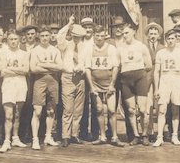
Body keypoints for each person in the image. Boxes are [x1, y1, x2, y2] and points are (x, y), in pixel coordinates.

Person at [84, 25, 123, 147]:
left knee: (111, 110)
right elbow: (88, 69)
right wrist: (91, 87)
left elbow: (115, 67)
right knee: (99, 110)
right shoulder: (89, 49)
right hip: (96, 84)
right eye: (97, 36)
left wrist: (112, 84)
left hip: (109, 85)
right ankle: (102, 136)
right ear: (94, 37)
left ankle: (115, 137)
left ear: (105, 36)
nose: (99, 38)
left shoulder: (111, 48)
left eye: (102, 36)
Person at [117, 23, 152, 146]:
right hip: (125, 80)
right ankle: (136, 135)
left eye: (126, 33)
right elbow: (118, 65)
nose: (124, 35)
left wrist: (138, 72)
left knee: (142, 110)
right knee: (131, 110)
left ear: (133, 32)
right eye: (123, 33)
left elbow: (148, 65)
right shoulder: (120, 47)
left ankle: (145, 135)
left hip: (139, 79)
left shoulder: (141, 46)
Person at [29, 26, 63, 150]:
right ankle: (35, 139)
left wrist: (42, 64)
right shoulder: (35, 50)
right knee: (37, 111)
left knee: (51, 111)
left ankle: (48, 136)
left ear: (50, 37)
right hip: (40, 81)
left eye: (47, 36)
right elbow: (33, 68)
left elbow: (60, 67)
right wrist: (51, 66)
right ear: (39, 36)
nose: (44, 38)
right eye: (42, 36)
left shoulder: (55, 50)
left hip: (53, 81)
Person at [152, 29, 180, 147]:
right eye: (168, 38)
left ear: (176, 40)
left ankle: (175, 135)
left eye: (173, 38)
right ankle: (160, 137)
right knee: (162, 110)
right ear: (165, 39)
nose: (171, 40)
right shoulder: (161, 53)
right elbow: (156, 72)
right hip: (164, 80)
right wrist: (156, 88)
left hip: (177, 80)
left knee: (175, 110)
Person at [57, 17, 87, 147]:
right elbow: (59, 36)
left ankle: (75, 134)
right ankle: (65, 135)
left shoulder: (84, 47)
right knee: (68, 108)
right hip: (68, 77)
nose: (76, 39)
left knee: (78, 108)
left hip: (80, 78)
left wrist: (83, 69)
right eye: (74, 36)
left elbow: (86, 63)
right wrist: (69, 24)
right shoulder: (65, 45)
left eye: (79, 37)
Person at [0, 29, 30, 153]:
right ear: (7, 40)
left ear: (19, 40)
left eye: (15, 39)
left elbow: (26, 70)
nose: (13, 41)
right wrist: (17, 70)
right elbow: (2, 70)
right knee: (8, 115)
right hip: (8, 84)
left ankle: (15, 138)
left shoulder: (24, 53)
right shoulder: (3, 53)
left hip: (21, 84)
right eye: (11, 39)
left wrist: (10, 69)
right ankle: (6, 141)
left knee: (17, 113)